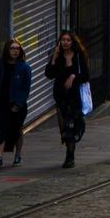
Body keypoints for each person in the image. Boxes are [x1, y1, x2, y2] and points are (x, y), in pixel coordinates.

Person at [45, 31, 90, 169]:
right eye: (63, 40)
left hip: (74, 97)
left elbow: (86, 76)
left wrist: (73, 77)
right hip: (60, 96)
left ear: (73, 42)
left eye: (68, 40)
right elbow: (49, 74)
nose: (65, 42)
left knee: (71, 126)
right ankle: (69, 150)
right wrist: (54, 58)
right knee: (64, 128)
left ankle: (70, 155)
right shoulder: (57, 57)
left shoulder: (78, 56)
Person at [0, 39, 32, 168]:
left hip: (17, 103)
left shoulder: (24, 67)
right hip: (1, 102)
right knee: (1, 129)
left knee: (17, 129)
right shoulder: (0, 64)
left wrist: (19, 103)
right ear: (7, 50)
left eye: (17, 48)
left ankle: (18, 155)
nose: (15, 51)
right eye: (12, 48)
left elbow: (26, 88)